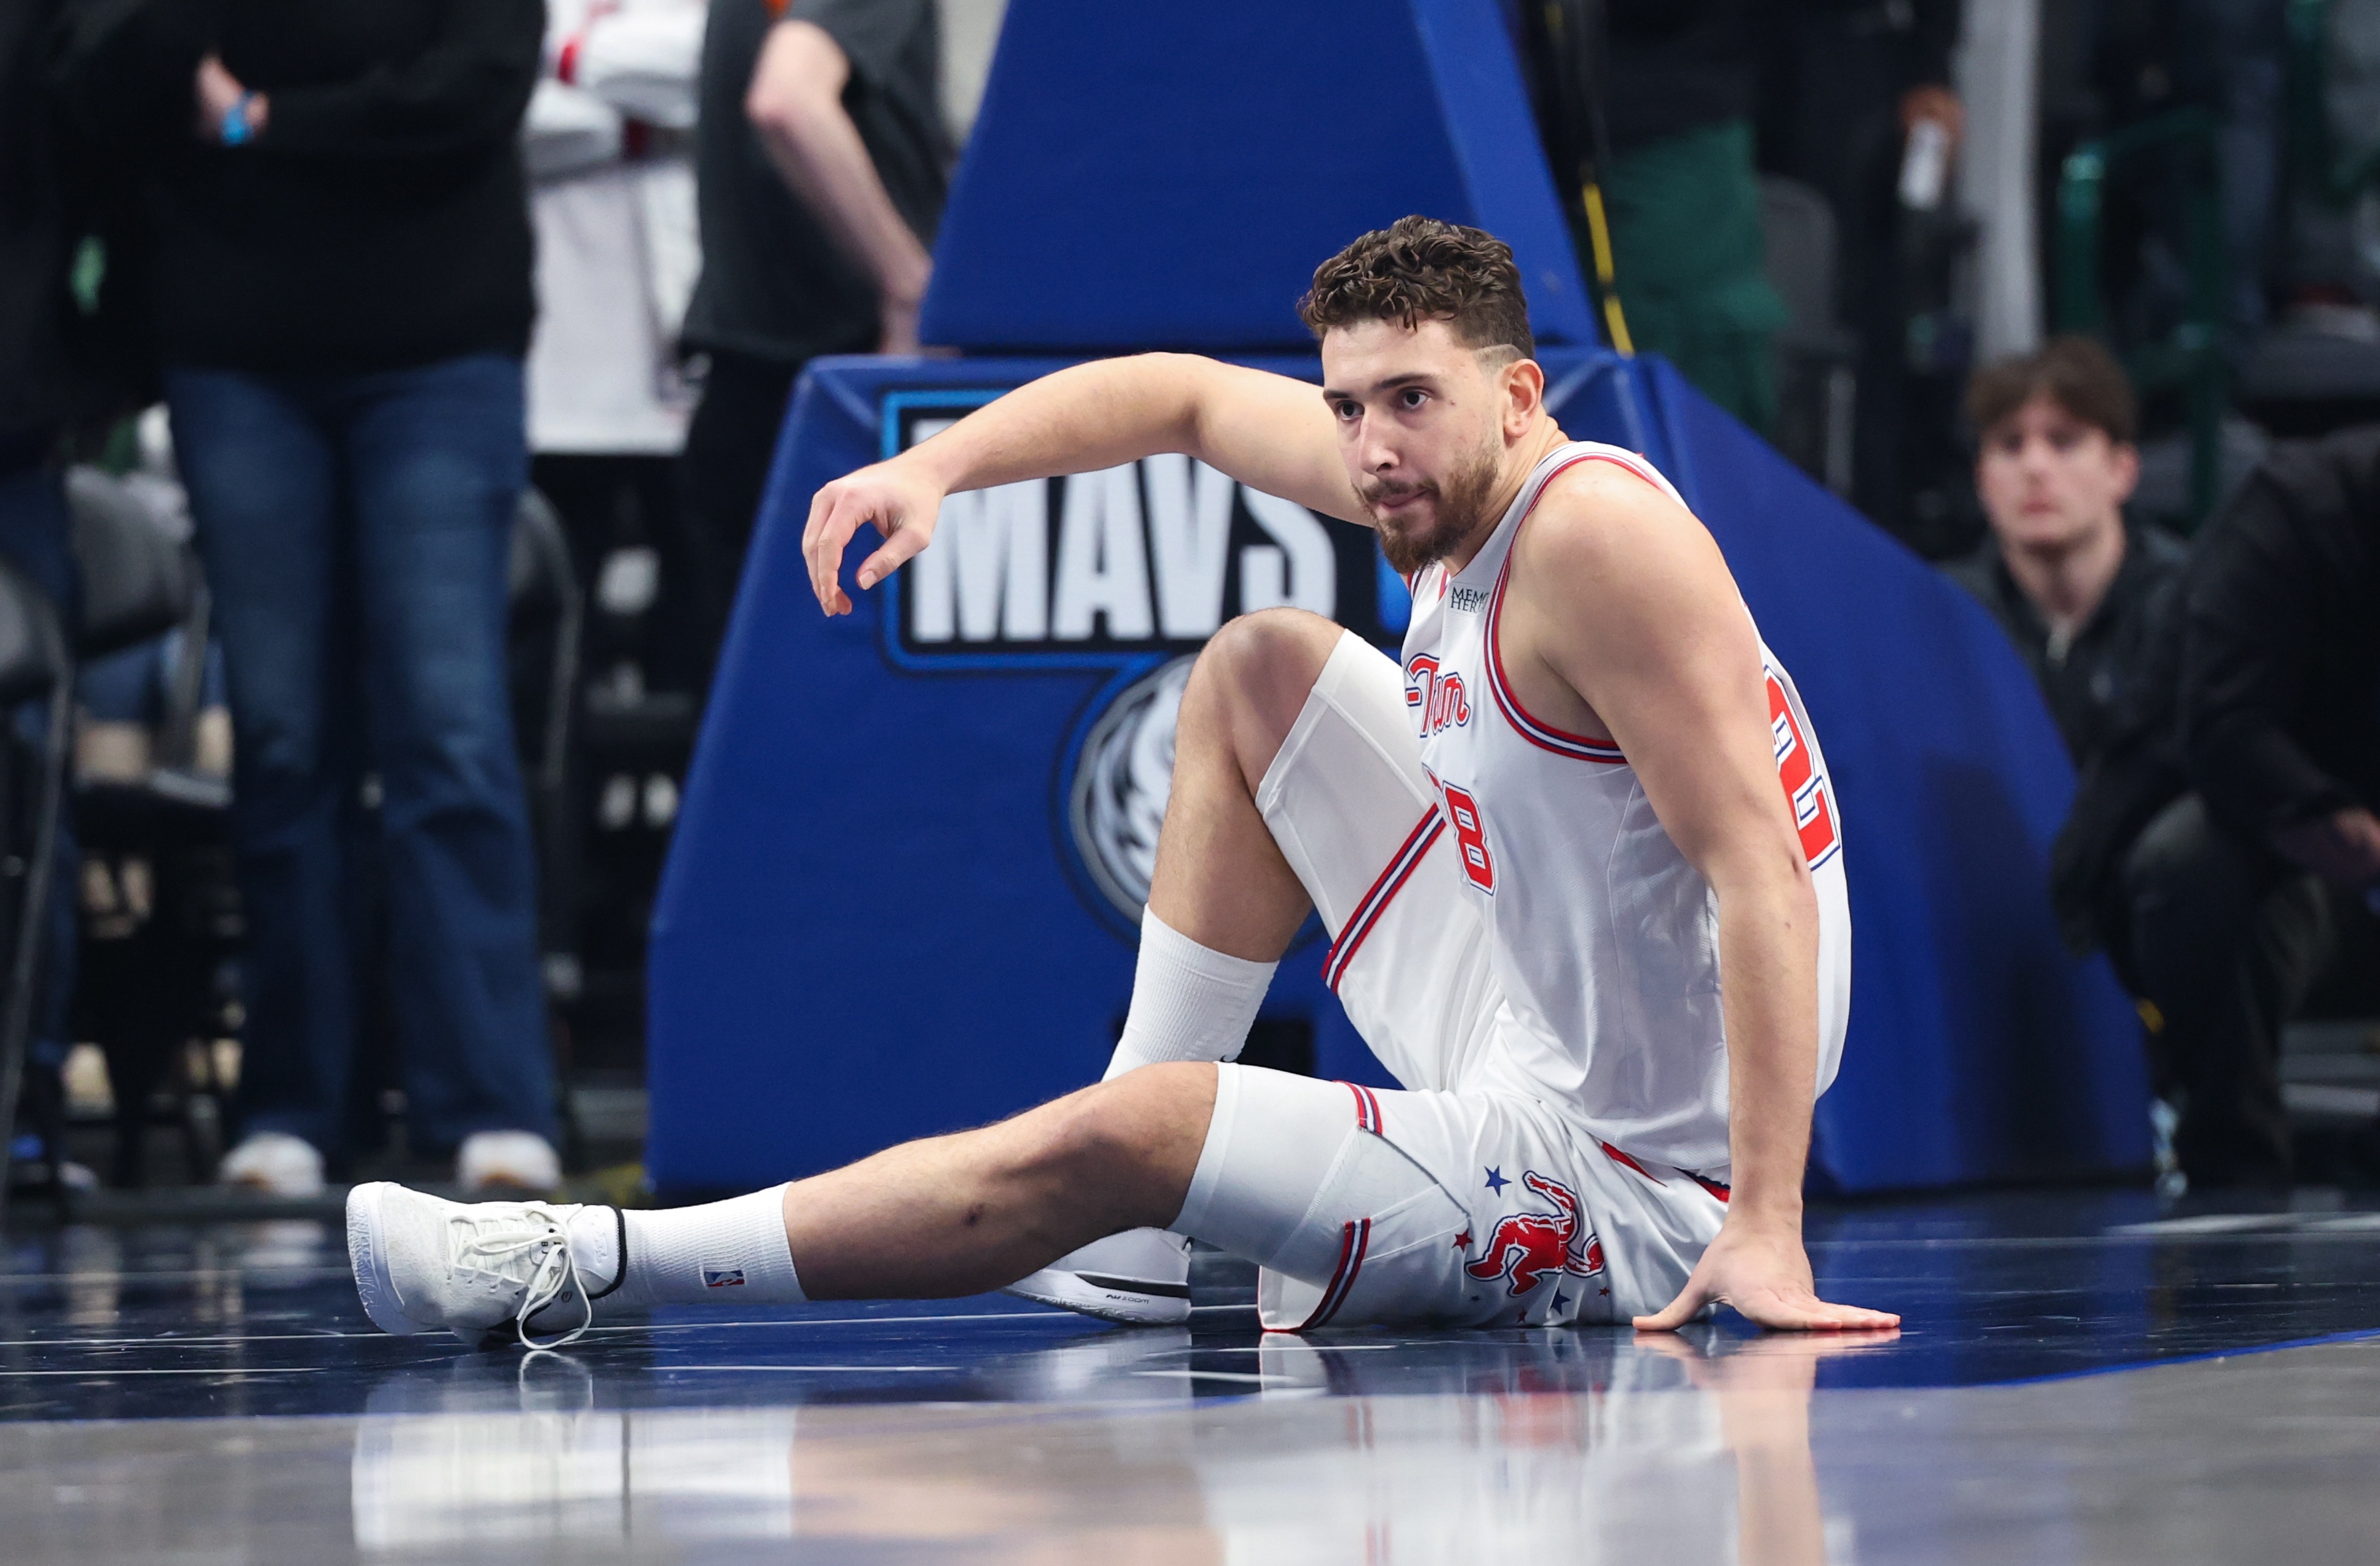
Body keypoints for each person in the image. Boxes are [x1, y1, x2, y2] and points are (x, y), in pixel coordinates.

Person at [346, 218, 1897, 1342]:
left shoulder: (1596, 540)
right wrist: (935, 465)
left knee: (1130, 1130)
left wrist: (1763, 1228)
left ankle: (572, 1257)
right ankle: (1126, 1252)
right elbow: (1179, 397)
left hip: (1635, 1173)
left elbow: (1756, 869)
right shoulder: (1436, 480)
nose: (1368, 448)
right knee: (1260, 668)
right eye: (1347, 405)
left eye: (1408, 400)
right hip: (1544, 1015)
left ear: (1518, 396)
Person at [57, 1, 563, 1195]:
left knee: (447, 731)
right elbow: (110, 77)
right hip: (234, 348)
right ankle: (291, 1103)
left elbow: (472, 90)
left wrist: (259, 117)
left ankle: (488, 1100)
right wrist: (298, 112)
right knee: (284, 741)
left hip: (437, 344)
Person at [2055, 426, 2380, 1190]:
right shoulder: (2295, 510)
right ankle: (2233, 1155)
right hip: (2285, 864)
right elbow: (2227, 735)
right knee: (2192, 863)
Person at [675, 0, 949, 686]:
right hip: (841, 390)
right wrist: (909, 286)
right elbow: (788, 98)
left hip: (755, 374)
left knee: (750, 701)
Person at [1945, 337, 2187, 771]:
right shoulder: (1944, 614)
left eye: (2063, 441)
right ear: (1981, 479)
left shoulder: (2187, 605)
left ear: (2122, 470)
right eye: (2010, 445)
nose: (2035, 467)